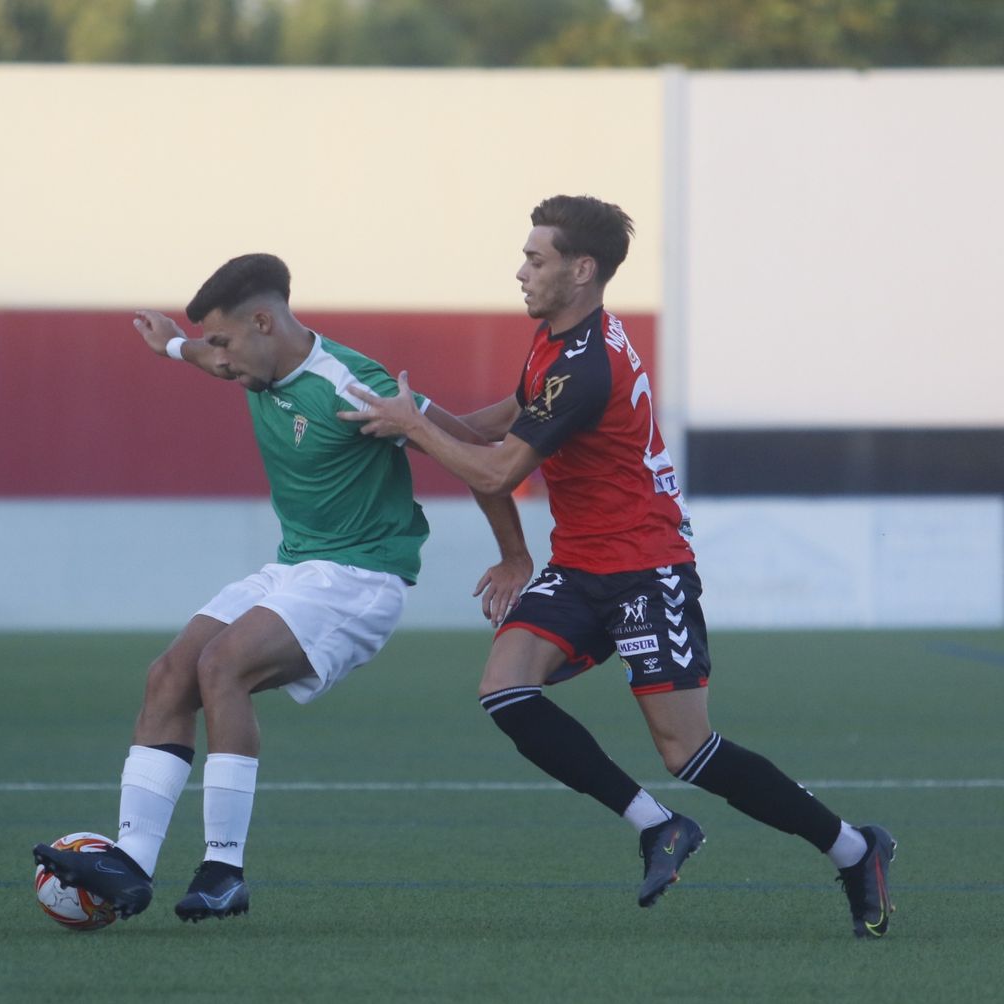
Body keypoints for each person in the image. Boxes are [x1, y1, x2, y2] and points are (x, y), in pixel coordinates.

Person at [337, 195, 896, 939]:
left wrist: (413, 426)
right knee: (504, 690)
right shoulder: (558, 343)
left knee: (687, 750)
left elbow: (499, 472)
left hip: (646, 565)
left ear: (582, 269)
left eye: (536, 259)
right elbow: (485, 431)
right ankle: (656, 826)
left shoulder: (587, 363)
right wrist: (408, 415)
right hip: (583, 564)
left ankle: (856, 849)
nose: (520, 271)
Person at [33, 253, 532, 922]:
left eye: (224, 342)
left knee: (222, 667)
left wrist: (514, 556)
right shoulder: (256, 363)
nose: (219, 360)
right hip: (297, 567)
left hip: (362, 577)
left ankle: (223, 870)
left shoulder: (353, 386)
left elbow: (476, 455)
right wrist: (173, 347)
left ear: (264, 321)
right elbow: (213, 357)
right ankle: (130, 863)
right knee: (169, 676)